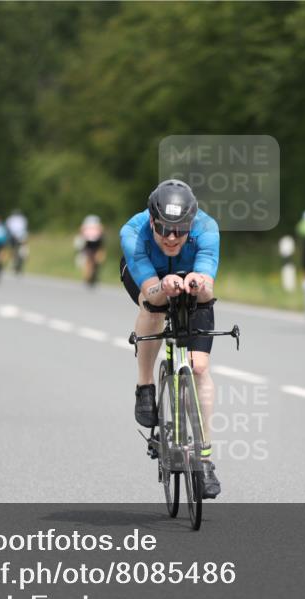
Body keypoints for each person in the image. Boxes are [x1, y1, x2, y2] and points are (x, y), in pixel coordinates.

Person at [120, 179, 222, 498]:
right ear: (152, 220)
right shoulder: (133, 233)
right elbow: (150, 288)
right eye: (165, 229)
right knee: (152, 307)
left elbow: (208, 285)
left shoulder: (207, 229)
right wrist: (163, 288)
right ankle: (145, 386)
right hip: (149, 278)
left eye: (181, 229)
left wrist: (198, 283)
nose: (173, 237)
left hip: (190, 280)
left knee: (200, 368)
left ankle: (203, 459)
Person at [79, 214, 106, 286]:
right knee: (91, 262)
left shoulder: (87, 224)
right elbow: (102, 232)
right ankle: (88, 278)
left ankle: (90, 277)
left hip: (93, 244)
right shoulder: (97, 225)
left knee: (93, 261)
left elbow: (81, 231)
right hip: (91, 244)